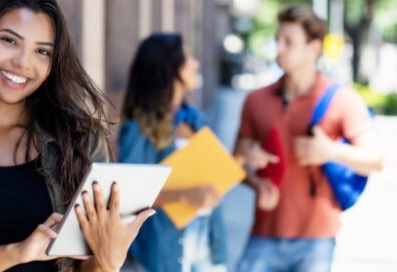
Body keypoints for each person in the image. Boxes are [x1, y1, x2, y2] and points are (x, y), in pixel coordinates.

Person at [0, 1, 156, 271]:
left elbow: (88, 265)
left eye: (42, 51)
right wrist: (17, 253)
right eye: (9, 40)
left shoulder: (80, 140)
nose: (22, 63)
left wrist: (108, 260)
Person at [235, 5, 383, 272]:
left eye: (289, 42)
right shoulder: (255, 100)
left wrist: (329, 151)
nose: (278, 48)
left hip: (316, 240)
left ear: (314, 48)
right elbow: (236, 160)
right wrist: (255, 180)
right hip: (263, 234)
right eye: (277, 40)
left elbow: (376, 160)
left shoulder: (342, 99)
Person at [118, 33, 228, 272]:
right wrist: (185, 196)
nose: (195, 63)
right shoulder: (138, 128)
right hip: (163, 252)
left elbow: (214, 175)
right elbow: (129, 194)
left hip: (207, 243)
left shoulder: (196, 118)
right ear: (168, 68)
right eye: (187, 58)